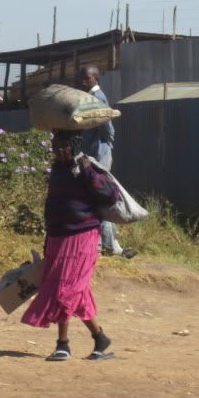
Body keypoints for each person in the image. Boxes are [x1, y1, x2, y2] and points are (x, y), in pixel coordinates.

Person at [21, 130, 119, 361]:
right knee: (75, 289)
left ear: (74, 145)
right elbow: (52, 203)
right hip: (58, 236)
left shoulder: (88, 167)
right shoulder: (57, 170)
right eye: (55, 145)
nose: (58, 150)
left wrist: (88, 172)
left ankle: (63, 344)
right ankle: (100, 339)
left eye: (63, 145)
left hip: (82, 236)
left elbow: (109, 196)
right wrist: (48, 238)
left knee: (65, 289)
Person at [77, 64, 136, 259]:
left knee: (102, 198)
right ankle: (105, 243)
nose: (82, 81)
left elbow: (106, 125)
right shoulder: (91, 97)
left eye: (86, 78)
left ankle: (111, 246)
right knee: (97, 198)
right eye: (81, 78)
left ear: (96, 78)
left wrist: (107, 144)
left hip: (99, 153)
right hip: (94, 153)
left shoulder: (98, 97)